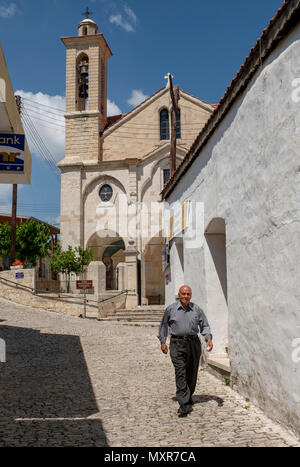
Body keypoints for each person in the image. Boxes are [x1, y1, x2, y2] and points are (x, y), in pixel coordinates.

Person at [158, 285, 213, 417]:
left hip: (193, 343)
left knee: (192, 371)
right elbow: (164, 325)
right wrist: (162, 341)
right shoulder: (171, 309)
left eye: (188, 294)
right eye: (183, 294)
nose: (186, 296)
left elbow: (204, 325)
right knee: (180, 371)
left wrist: (208, 338)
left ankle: (188, 396)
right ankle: (183, 403)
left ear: (191, 295)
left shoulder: (197, 309)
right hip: (177, 343)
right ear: (179, 295)